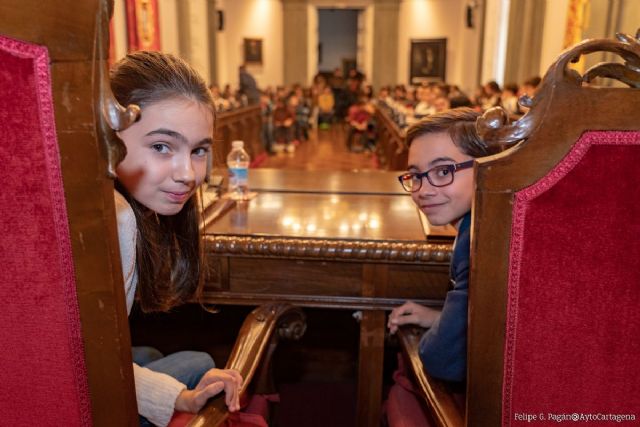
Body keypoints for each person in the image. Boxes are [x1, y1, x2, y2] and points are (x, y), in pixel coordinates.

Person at [110, 51, 242, 427]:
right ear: (110, 136)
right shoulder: (116, 215)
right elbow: (83, 363)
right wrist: (179, 397)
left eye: (198, 149)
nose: (188, 174)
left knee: (153, 353)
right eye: (162, 146)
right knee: (199, 363)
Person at [386, 108, 502, 425]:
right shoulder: (486, 220)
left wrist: (440, 332)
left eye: (443, 171)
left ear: (489, 167)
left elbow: (441, 359)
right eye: (415, 175)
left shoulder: (479, 239)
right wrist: (441, 318)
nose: (423, 190)